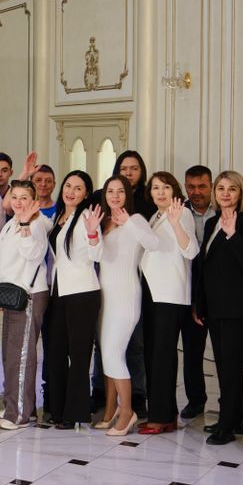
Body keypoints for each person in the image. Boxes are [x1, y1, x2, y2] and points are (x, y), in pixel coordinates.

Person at [194, 170, 243, 445]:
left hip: (238, 308)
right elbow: (206, 267)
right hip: (215, 307)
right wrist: (200, 305)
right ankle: (236, 420)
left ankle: (226, 426)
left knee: (231, 366)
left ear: (240, 193)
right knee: (224, 366)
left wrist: (233, 234)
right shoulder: (212, 222)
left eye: (232, 188)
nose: (225, 193)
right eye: (221, 188)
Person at [92, 176, 152, 436]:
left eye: (120, 191)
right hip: (105, 297)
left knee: (114, 355)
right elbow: (96, 256)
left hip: (126, 296)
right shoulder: (104, 222)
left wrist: (129, 224)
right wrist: (92, 232)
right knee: (106, 355)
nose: (114, 196)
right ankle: (110, 410)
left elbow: (153, 244)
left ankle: (127, 412)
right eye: (110, 191)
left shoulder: (136, 219)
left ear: (127, 194)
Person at [139, 172, 198, 434]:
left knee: (162, 356)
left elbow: (191, 251)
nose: (160, 192)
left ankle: (161, 417)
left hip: (170, 295)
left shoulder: (181, 213)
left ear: (174, 190)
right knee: (153, 354)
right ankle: (164, 413)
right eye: (155, 188)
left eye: (165, 187)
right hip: (153, 292)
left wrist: (176, 224)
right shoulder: (155, 216)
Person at [0, 182, 51, 431]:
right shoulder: (12, 222)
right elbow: (1, 259)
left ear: (34, 201)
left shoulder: (37, 224)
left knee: (22, 356)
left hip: (29, 295)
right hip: (12, 295)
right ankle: (17, 405)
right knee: (11, 354)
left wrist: (25, 224)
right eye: (14, 197)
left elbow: (33, 255)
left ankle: (19, 414)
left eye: (24, 197)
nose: (18, 202)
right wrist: (0, 292)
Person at [43, 172, 100, 429]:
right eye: (68, 185)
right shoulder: (58, 216)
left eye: (78, 188)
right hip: (58, 291)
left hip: (82, 293)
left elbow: (97, 254)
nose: (71, 191)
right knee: (56, 351)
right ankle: (57, 408)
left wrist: (93, 234)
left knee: (78, 356)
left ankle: (74, 412)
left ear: (86, 194)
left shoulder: (88, 217)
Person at [178, 164, 215, 419]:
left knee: (226, 355)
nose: (196, 191)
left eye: (201, 186)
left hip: (220, 291)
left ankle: (231, 407)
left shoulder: (224, 211)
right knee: (192, 351)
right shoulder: (179, 212)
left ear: (211, 186)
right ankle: (196, 400)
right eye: (191, 187)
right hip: (190, 290)